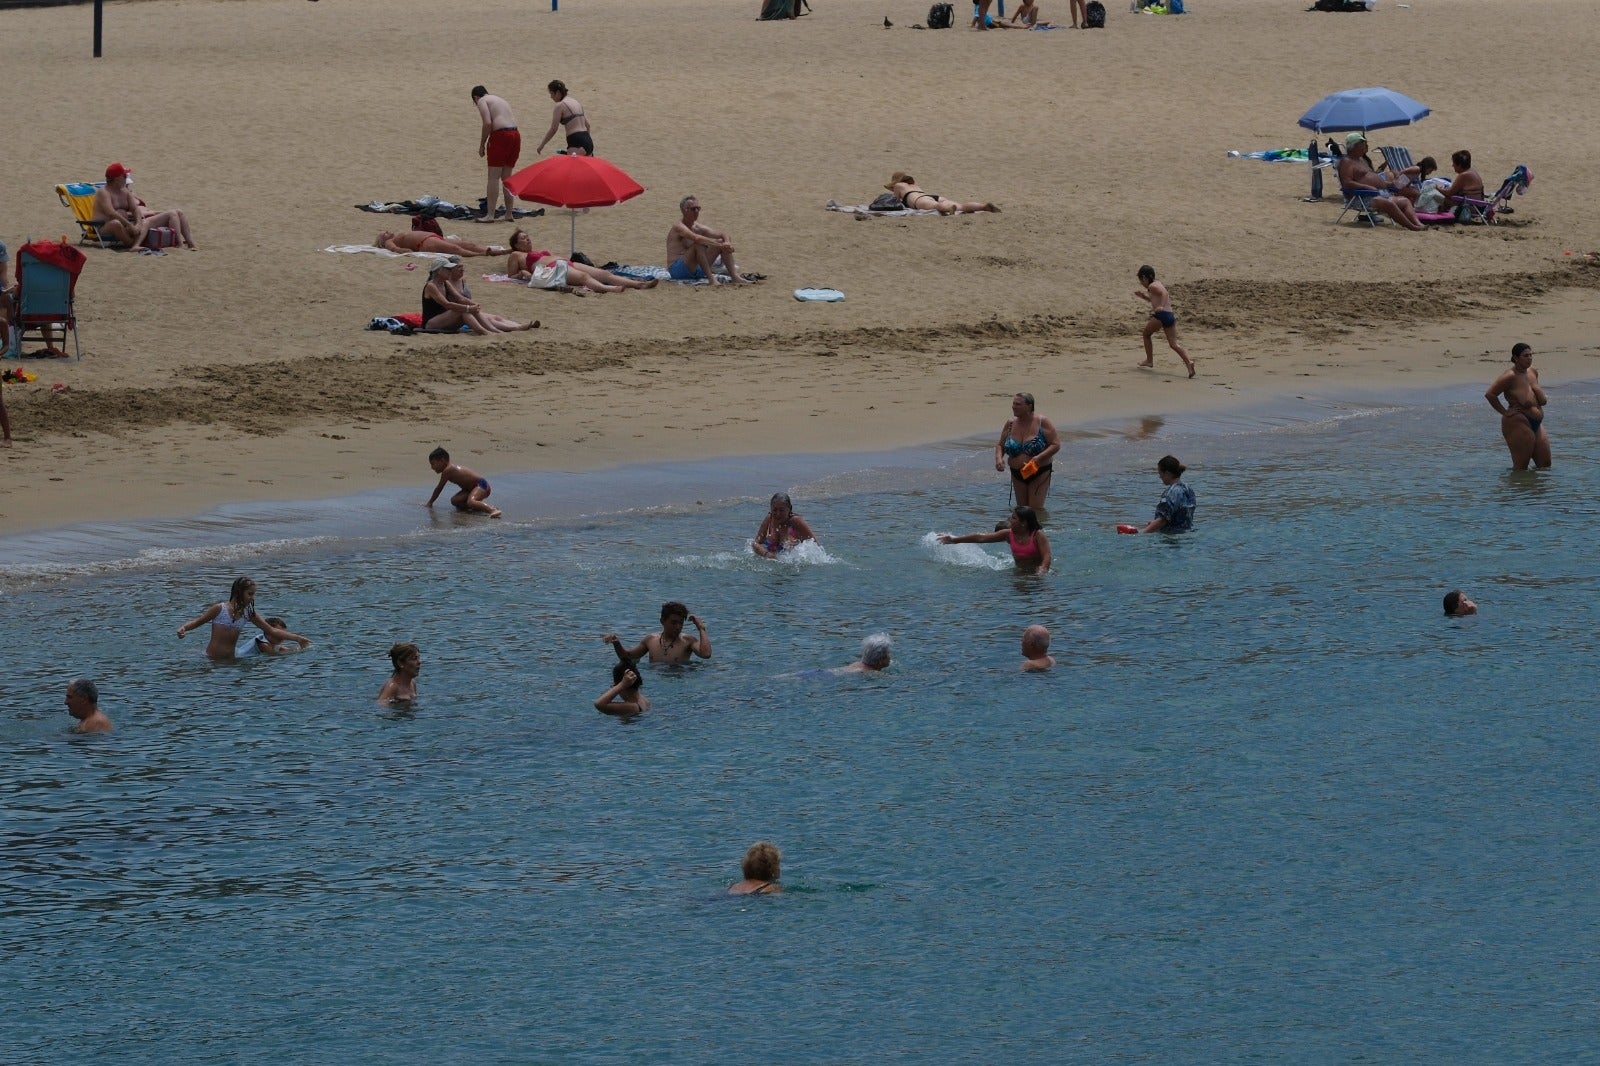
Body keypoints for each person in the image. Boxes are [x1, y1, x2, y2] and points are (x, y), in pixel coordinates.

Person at [177, 577, 312, 660]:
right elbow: (198, 621)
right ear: (238, 593)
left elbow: (271, 630)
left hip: (231, 660)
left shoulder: (248, 614)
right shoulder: (219, 609)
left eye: (253, 594)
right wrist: (184, 628)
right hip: (211, 659)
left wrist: (297, 638)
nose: (252, 598)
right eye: (249, 594)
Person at [505, 229, 657, 292]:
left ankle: (639, 284)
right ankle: (610, 290)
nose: (528, 239)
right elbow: (511, 275)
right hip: (553, 268)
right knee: (584, 277)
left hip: (566, 263)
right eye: (523, 238)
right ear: (516, 245)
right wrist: (522, 273)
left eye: (528, 236)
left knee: (604, 274)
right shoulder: (516, 255)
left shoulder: (537, 251)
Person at [90, 162, 197, 250]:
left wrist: (138, 224)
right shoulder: (103, 192)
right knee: (116, 223)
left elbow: (135, 209)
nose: (127, 178)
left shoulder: (125, 192)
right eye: (125, 176)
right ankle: (132, 244)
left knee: (173, 213)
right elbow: (110, 213)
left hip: (127, 227)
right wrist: (130, 225)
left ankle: (190, 243)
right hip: (104, 227)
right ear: (117, 179)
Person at [422, 259, 538, 335]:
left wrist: (474, 305)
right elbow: (447, 304)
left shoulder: (445, 283)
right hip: (432, 323)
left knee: (472, 310)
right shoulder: (431, 286)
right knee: (464, 310)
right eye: (448, 269)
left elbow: (460, 298)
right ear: (439, 271)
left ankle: (500, 329)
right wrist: (468, 308)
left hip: (446, 318)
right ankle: (486, 331)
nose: (450, 271)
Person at [1337, 134, 1426, 231]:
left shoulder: (1362, 160)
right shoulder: (1347, 162)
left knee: (1405, 201)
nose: (1366, 145)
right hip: (1361, 197)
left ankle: (1419, 224)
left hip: (1379, 193)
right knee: (1389, 203)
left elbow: (1372, 177)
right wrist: (1366, 187)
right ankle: (1412, 227)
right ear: (1354, 145)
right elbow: (1347, 183)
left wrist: (1388, 184)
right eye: (1363, 143)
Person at [1485, 342, 1551, 470]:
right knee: (1521, 468)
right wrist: (1504, 412)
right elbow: (1490, 394)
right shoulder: (1510, 376)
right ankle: (1516, 484)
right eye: (1525, 356)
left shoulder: (1532, 372)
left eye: (1531, 355)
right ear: (1516, 358)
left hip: (1537, 423)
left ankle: (1535, 484)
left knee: (1545, 465)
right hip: (1518, 421)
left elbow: (1536, 398)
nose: (1529, 358)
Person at [667, 196, 757, 284]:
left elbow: (722, 234)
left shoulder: (697, 226)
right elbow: (697, 238)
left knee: (721, 241)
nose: (697, 212)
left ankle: (735, 277)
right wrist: (720, 246)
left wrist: (727, 243)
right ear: (684, 210)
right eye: (693, 209)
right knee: (698, 245)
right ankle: (711, 279)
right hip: (678, 271)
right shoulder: (679, 227)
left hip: (696, 270)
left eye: (698, 208)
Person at [994, 392, 1061, 511]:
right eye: (1013, 404)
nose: (1014, 407)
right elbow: (1000, 445)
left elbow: (1055, 444)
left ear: (1029, 406)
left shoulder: (1042, 421)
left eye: (1018, 404)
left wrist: (1039, 458)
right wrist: (999, 459)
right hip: (1017, 472)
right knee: (1022, 510)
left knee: (1035, 510)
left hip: (1038, 471)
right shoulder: (1010, 423)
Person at [939, 505, 1052, 572]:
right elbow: (981, 538)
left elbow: (1046, 557)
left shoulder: (1038, 535)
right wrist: (954, 540)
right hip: (1019, 573)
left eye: (1014, 518)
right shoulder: (1008, 534)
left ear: (1024, 523)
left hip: (1038, 574)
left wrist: (1041, 571)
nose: (1010, 520)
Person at [1135, 266, 1196, 378]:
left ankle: (1149, 360)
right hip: (1169, 315)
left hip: (1161, 315)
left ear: (1144, 278)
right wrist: (1143, 297)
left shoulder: (1152, 286)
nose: (1142, 284)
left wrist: (1161, 306)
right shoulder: (1157, 284)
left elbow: (1164, 294)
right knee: (1173, 344)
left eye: (1141, 281)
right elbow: (1154, 299)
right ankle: (1189, 362)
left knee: (1146, 335)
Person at [603, 602, 712, 665]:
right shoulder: (650, 640)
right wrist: (616, 643)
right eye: (673, 623)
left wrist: (701, 628)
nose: (678, 627)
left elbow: (706, 654)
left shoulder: (688, 641)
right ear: (662, 621)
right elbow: (627, 657)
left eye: (680, 623)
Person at [472, 86, 520, 223]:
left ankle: (490, 215)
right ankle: (509, 213)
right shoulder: (499, 99)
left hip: (501, 135)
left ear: (476, 97)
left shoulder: (482, 100)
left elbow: (487, 123)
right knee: (507, 177)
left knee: (493, 177)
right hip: (515, 134)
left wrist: (482, 144)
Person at [426, 446, 503, 516]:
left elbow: (439, 488)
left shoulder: (448, 470)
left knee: (471, 501)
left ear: (442, 460)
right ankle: (479, 508)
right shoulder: (448, 470)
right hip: (470, 489)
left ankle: (492, 510)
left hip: (481, 485)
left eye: (433, 464)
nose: (432, 467)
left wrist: (430, 502)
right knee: (455, 501)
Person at [1129, 455, 1195, 534]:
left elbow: (1163, 520)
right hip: (1188, 532)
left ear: (1167, 473)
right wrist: (1154, 523)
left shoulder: (1171, 492)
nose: (1160, 477)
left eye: (1160, 474)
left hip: (1172, 536)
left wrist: (1142, 532)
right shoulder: (1188, 489)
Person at [883, 172, 999, 216]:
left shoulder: (898, 186)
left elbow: (895, 202)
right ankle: (983, 206)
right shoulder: (913, 184)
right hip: (930, 196)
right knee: (961, 206)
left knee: (937, 206)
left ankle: (948, 209)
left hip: (919, 200)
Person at [536, 80, 594, 157]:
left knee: (570, 165)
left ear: (557, 92)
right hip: (588, 140)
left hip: (576, 141)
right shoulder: (576, 102)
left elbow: (553, 129)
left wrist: (542, 145)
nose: (551, 97)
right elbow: (588, 125)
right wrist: (586, 141)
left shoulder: (560, 105)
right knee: (585, 165)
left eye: (551, 94)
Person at [752, 492, 816, 557]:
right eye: (774, 510)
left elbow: (815, 547)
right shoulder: (769, 519)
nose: (778, 514)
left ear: (790, 509)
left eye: (781, 510)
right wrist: (767, 554)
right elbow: (756, 543)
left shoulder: (796, 521)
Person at [1435, 149, 1487, 222]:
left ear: (1459, 165)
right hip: (1478, 205)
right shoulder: (1472, 171)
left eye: (1454, 163)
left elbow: (1449, 192)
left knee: (1439, 197)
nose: (1452, 165)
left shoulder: (1463, 175)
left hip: (1470, 207)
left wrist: (1437, 188)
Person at [377, 230, 505, 258]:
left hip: (433, 238)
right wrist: (404, 251)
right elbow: (394, 249)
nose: (387, 232)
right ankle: (481, 254)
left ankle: (499, 251)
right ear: (382, 241)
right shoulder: (388, 242)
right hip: (425, 242)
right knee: (455, 248)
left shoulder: (395, 236)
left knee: (469, 244)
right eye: (384, 234)